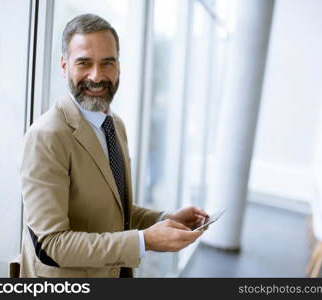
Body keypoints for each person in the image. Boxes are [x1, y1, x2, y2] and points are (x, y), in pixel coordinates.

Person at [18, 13, 208, 278]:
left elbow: (111, 210)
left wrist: (164, 220)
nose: (96, 76)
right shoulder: (47, 136)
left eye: (107, 63)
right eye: (84, 63)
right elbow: (51, 245)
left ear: (119, 66)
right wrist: (144, 241)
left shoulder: (114, 125)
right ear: (64, 66)